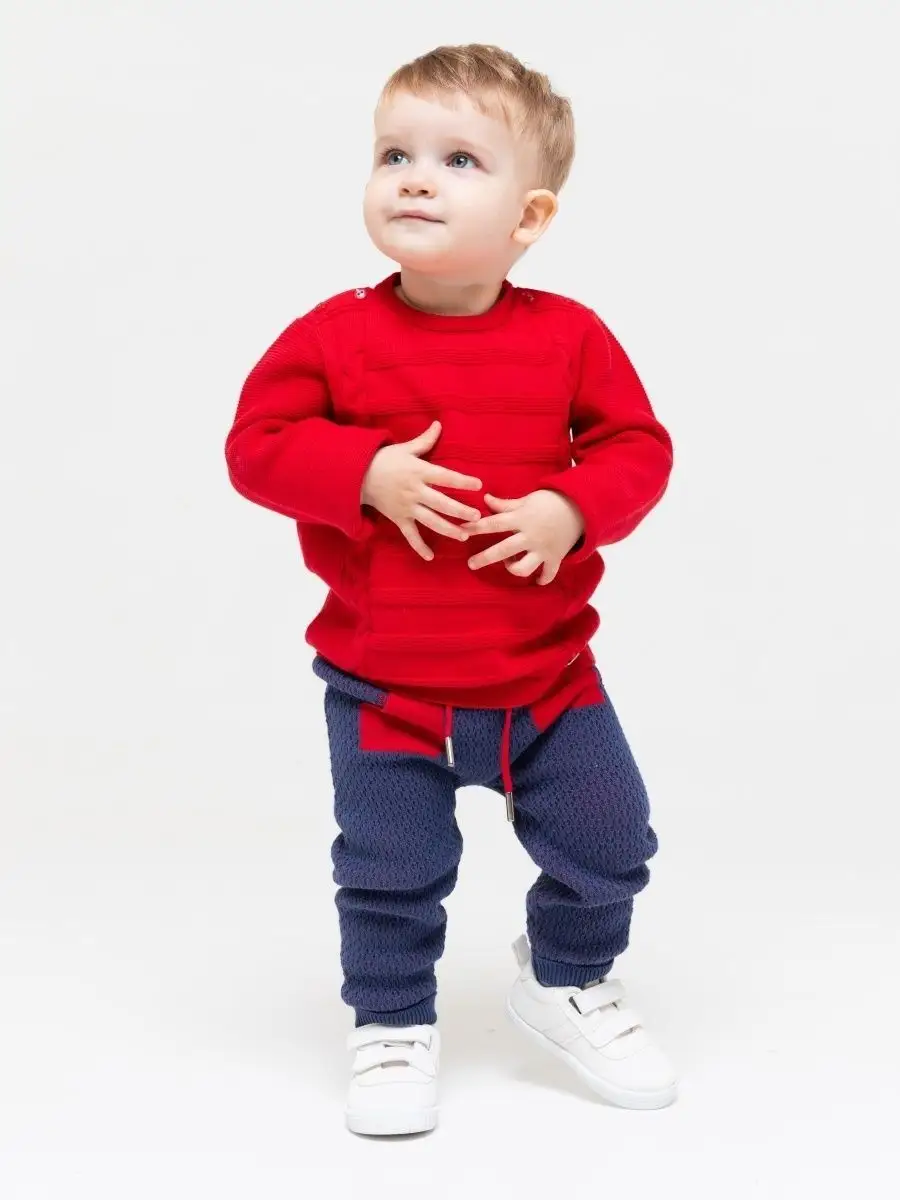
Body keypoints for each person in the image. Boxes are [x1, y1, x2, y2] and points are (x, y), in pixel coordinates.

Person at [225, 43, 678, 1136]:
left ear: (530, 217)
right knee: (391, 868)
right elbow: (255, 447)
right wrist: (362, 472)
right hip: (386, 692)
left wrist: (571, 506)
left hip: (548, 681)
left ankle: (568, 978)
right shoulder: (333, 337)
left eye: (458, 159)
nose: (416, 179)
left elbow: (638, 447)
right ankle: (391, 1022)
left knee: (613, 839)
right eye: (395, 155)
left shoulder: (569, 338)